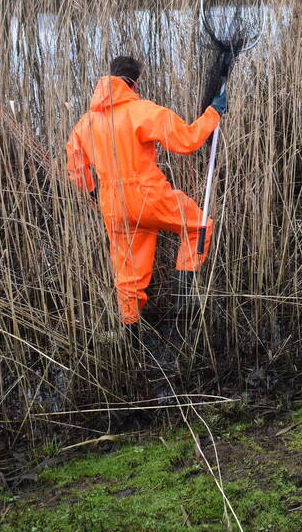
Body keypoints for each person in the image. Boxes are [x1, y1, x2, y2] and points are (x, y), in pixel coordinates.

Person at [66, 56, 227, 328]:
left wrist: (93, 192)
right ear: (134, 83)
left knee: (128, 273)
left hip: (112, 204)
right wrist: (213, 112)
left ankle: (130, 332)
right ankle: (183, 298)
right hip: (149, 196)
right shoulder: (142, 111)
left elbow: (74, 164)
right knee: (199, 227)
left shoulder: (86, 122)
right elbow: (187, 141)